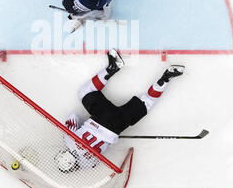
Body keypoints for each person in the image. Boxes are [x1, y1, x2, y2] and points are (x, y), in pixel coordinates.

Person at [54, 49, 185, 172]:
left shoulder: (88, 166)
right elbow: (73, 116)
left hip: (118, 125)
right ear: (64, 154)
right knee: (85, 92)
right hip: (101, 115)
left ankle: (166, 77)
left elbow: (100, 154)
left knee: (146, 103)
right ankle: (113, 67)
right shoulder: (68, 139)